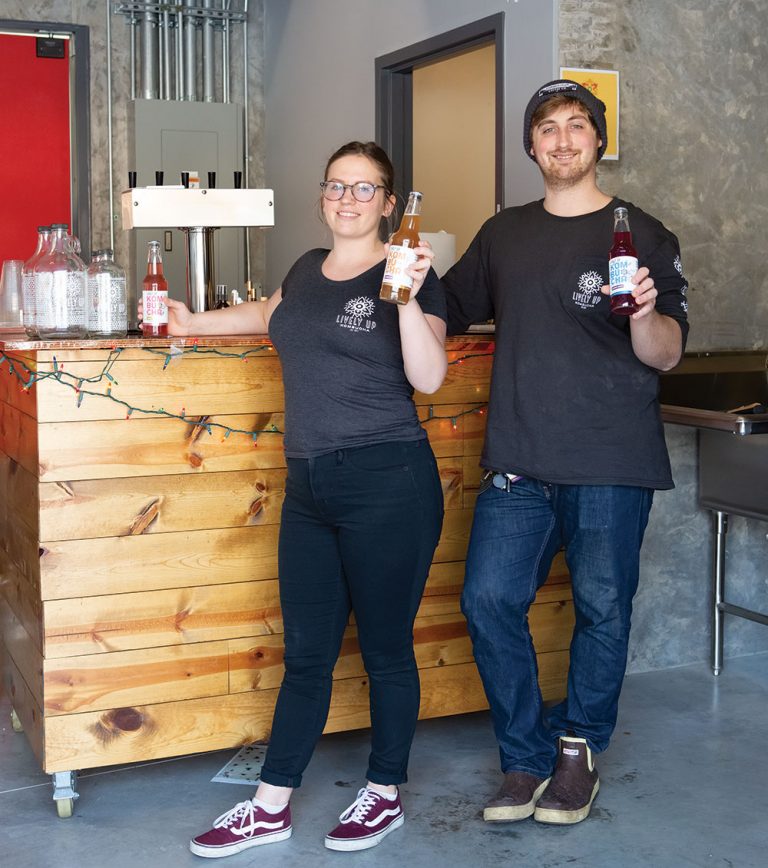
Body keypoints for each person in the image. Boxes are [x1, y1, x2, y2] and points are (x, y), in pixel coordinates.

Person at [156, 142, 447, 857]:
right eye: (335, 186)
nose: (346, 199)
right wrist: (191, 323)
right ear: (324, 195)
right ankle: (270, 806)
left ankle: (384, 792)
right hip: (310, 486)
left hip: (388, 481)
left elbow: (431, 376)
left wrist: (405, 296)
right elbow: (270, 314)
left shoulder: (409, 270)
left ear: (388, 202)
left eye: (363, 188)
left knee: (384, 651)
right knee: (308, 655)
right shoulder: (305, 269)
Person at [441, 80, 689, 826]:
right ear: (530, 145)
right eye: (546, 128)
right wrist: (381, 275)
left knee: (603, 607)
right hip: (519, 457)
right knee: (488, 599)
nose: (561, 139)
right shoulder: (504, 233)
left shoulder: (643, 234)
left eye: (576, 125)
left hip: (612, 457)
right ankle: (522, 758)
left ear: (598, 139)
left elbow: (668, 351)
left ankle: (577, 753)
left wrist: (645, 314)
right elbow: (444, 308)